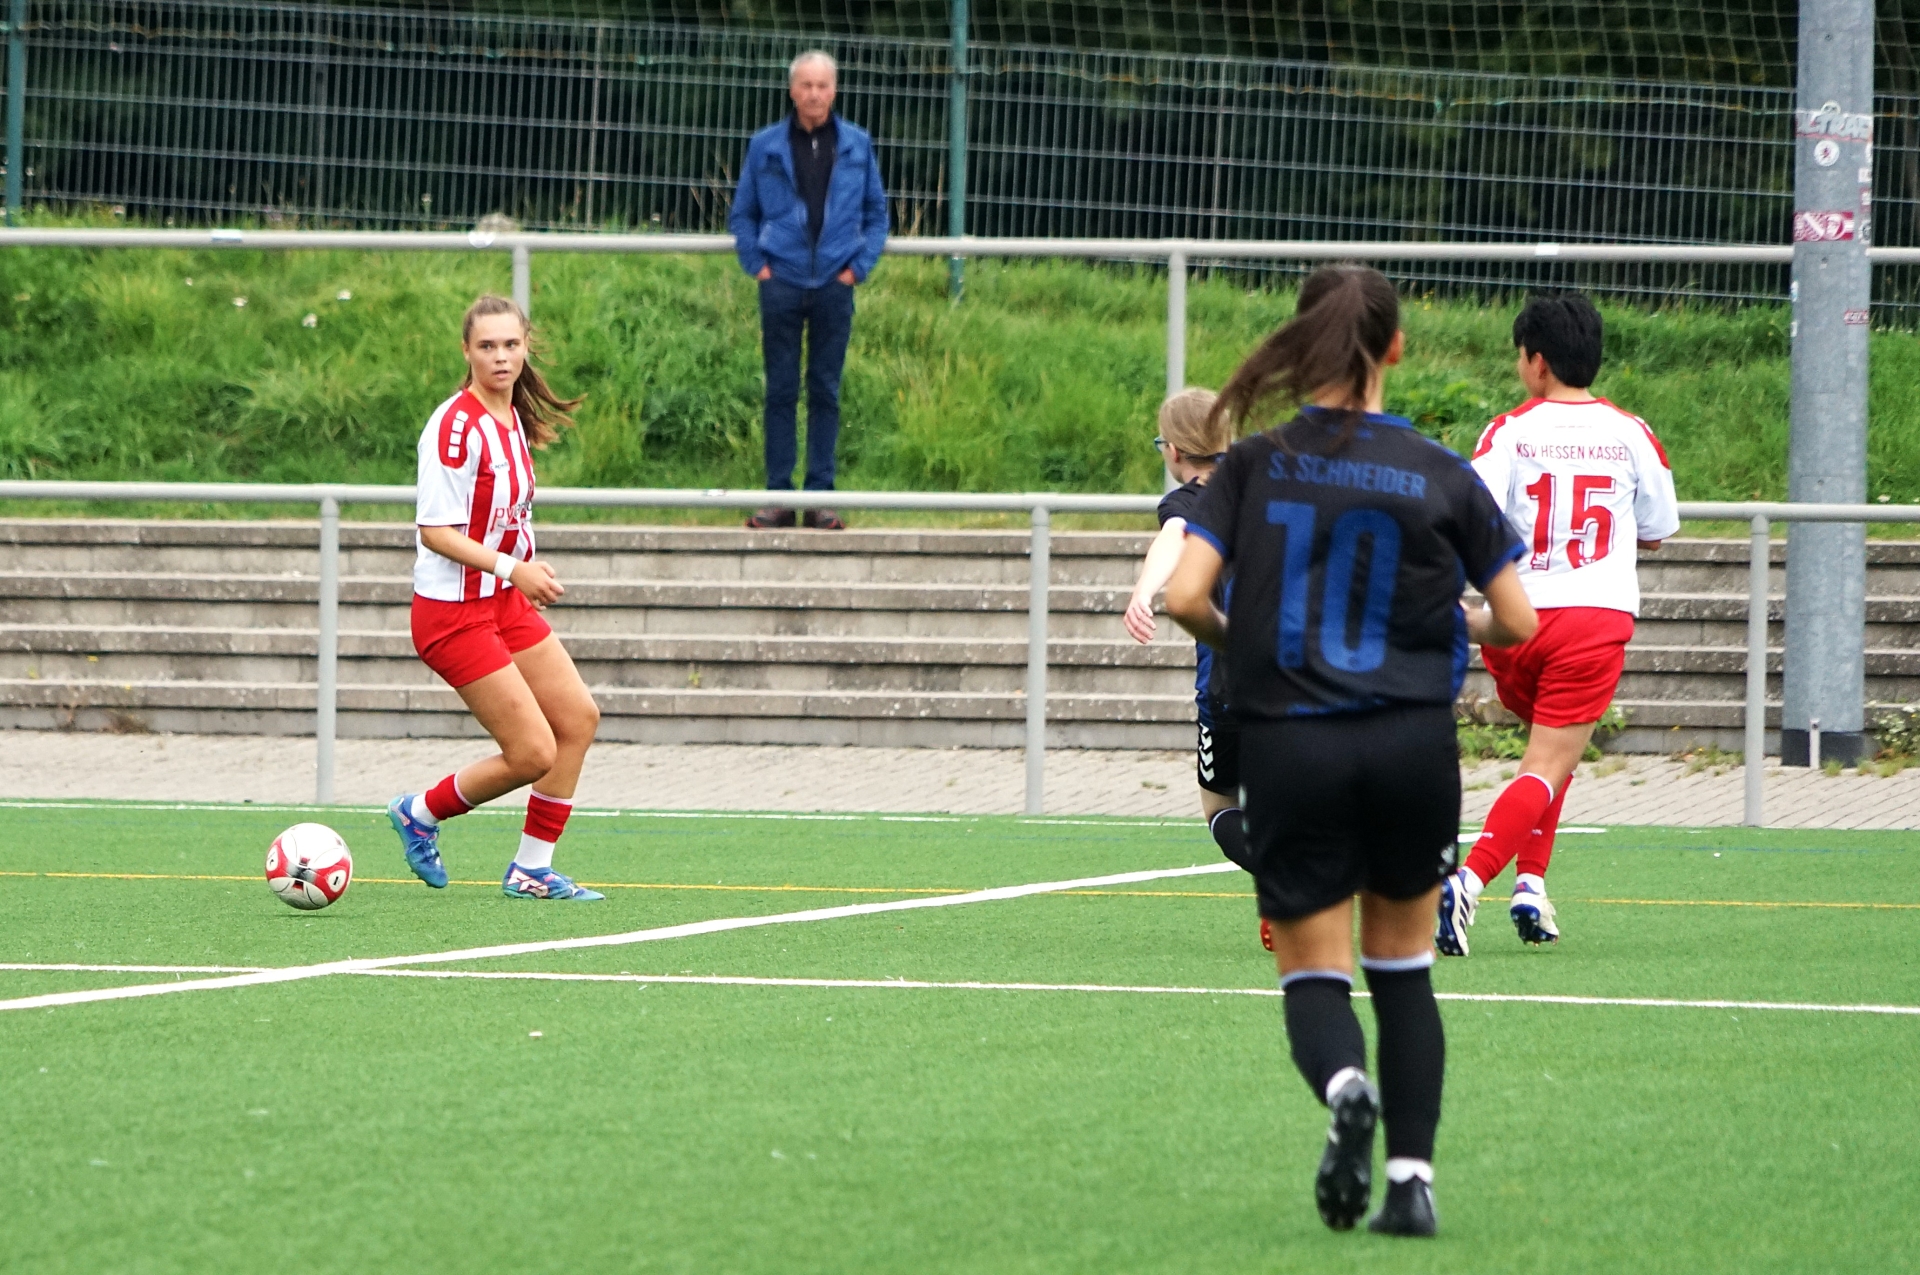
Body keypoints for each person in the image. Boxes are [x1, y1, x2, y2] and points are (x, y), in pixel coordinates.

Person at [1163, 265, 1537, 1237]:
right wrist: (1450, 629)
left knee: (1314, 974)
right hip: (1412, 744)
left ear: (1302, 343)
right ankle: (1412, 1185)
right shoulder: (1440, 471)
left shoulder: (1252, 463)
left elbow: (1185, 596)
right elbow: (1518, 619)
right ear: (1396, 347)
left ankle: (1344, 1088)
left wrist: (1250, 643)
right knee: (1403, 972)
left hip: (1295, 744)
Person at [1437, 294, 1680, 955]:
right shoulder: (1631, 432)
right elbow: (1659, 526)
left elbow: (1467, 516)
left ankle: (1531, 884)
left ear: (1537, 362)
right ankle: (1469, 880)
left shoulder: (1509, 431)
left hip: (1515, 622)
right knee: (1549, 761)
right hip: (1592, 621)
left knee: (1549, 756)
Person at [386, 295, 605, 902]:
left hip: (500, 602)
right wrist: (515, 568)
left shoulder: (511, 417)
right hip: (453, 615)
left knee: (577, 720)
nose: (501, 357)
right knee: (532, 752)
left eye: (510, 344)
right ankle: (418, 812)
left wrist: (523, 565)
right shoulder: (455, 426)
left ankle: (532, 869)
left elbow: (502, 516)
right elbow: (435, 532)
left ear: (525, 346)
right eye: (487, 346)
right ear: (467, 351)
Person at [728, 49, 890, 531]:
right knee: (779, 390)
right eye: (806, 85)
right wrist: (759, 268)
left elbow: (877, 215)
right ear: (792, 90)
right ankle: (778, 498)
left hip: (835, 284)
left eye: (822, 85)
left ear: (834, 91)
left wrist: (857, 269)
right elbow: (743, 214)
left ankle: (821, 497)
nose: (814, 94)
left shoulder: (857, 144)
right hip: (780, 282)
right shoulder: (765, 146)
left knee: (826, 390)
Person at [1122, 388, 1254, 879]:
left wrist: (1144, 590)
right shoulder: (1266, 484)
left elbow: (1175, 535)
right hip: (1301, 670)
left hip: (1229, 682)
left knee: (1220, 806)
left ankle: (1304, 880)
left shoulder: (1189, 500)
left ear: (1173, 451)